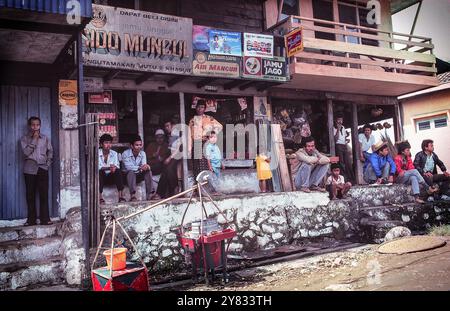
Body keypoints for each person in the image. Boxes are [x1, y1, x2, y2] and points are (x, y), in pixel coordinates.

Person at [20, 116, 53, 226]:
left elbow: (50, 151)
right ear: (30, 126)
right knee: (30, 195)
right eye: (33, 125)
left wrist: (47, 164)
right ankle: (31, 220)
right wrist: (34, 139)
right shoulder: (24, 139)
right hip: (29, 169)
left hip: (42, 168)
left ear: (40, 125)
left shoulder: (45, 138)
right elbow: (26, 153)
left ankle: (45, 219)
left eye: (37, 125)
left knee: (43, 194)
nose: (35, 127)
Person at [188, 99, 223, 178]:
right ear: (196, 108)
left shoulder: (209, 118)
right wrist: (189, 149)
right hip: (196, 144)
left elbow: (220, 126)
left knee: (207, 165)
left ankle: (209, 186)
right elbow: (190, 136)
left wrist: (211, 134)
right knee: (197, 167)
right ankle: (199, 187)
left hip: (206, 143)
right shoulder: (192, 121)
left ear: (204, 109)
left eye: (202, 107)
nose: (200, 109)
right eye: (198, 107)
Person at [122, 135, 154, 202]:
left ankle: (150, 194)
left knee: (148, 171)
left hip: (138, 175)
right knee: (131, 172)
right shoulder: (125, 153)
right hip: (127, 177)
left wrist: (146, 167)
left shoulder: (143, 153)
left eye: (140, 145)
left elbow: (144, 165)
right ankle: (133, 195)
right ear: (132, 146)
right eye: (137, 145)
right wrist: (140, 167)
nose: (139, 147)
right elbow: (128, 167)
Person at [155, 119, 181, 198]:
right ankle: (164, 193)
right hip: (172, 154)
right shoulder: (170, 135)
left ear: (172, 125)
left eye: (168, 126)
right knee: (165, 171)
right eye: (165, 126)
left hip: (177, 154)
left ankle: (174, 188)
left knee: (169, 168)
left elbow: (178, 148)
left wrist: (169, 158)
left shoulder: (175, 134)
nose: (166, 128)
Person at [98, 134, 125, 204]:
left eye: (110, 143)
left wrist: (114, 168)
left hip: (111, 177)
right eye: (106, 143)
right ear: (101, 144)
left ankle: (120, 197)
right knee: (99, 172)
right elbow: (98, 167)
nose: (108, 145)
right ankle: (100, 198)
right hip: (101, 178)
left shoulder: (114, 153)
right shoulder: (96, 153)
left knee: (118, 171)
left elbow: (117, 166)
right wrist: (109, 168)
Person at [333, 113, 354, 183]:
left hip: (344, 145)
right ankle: (344, 179)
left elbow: (344, 137)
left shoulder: (343, 127)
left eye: (341, 120)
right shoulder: (333, 128)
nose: (340, 121)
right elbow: (335, 139)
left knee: (348, 162)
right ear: (335, 120)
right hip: (338, 145)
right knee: (341, 163)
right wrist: (338, 130)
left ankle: (350, 178)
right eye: (338, 120)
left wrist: (346, 140)